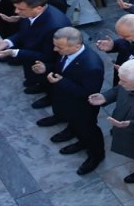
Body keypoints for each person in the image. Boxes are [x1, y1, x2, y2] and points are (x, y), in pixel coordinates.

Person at [38, 26, 106, 175]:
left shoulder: (92, 66)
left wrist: (61, 82)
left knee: (89, 131)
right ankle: (79, 140)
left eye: (59, 47)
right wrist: (46, 68)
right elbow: (61, 68)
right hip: (67, 101)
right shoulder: (66, 52)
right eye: (55, 45)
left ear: (76, 46)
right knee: (76, 125)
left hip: (82, 108)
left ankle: (96, 155)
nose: (55, 50)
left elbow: (88, 93)